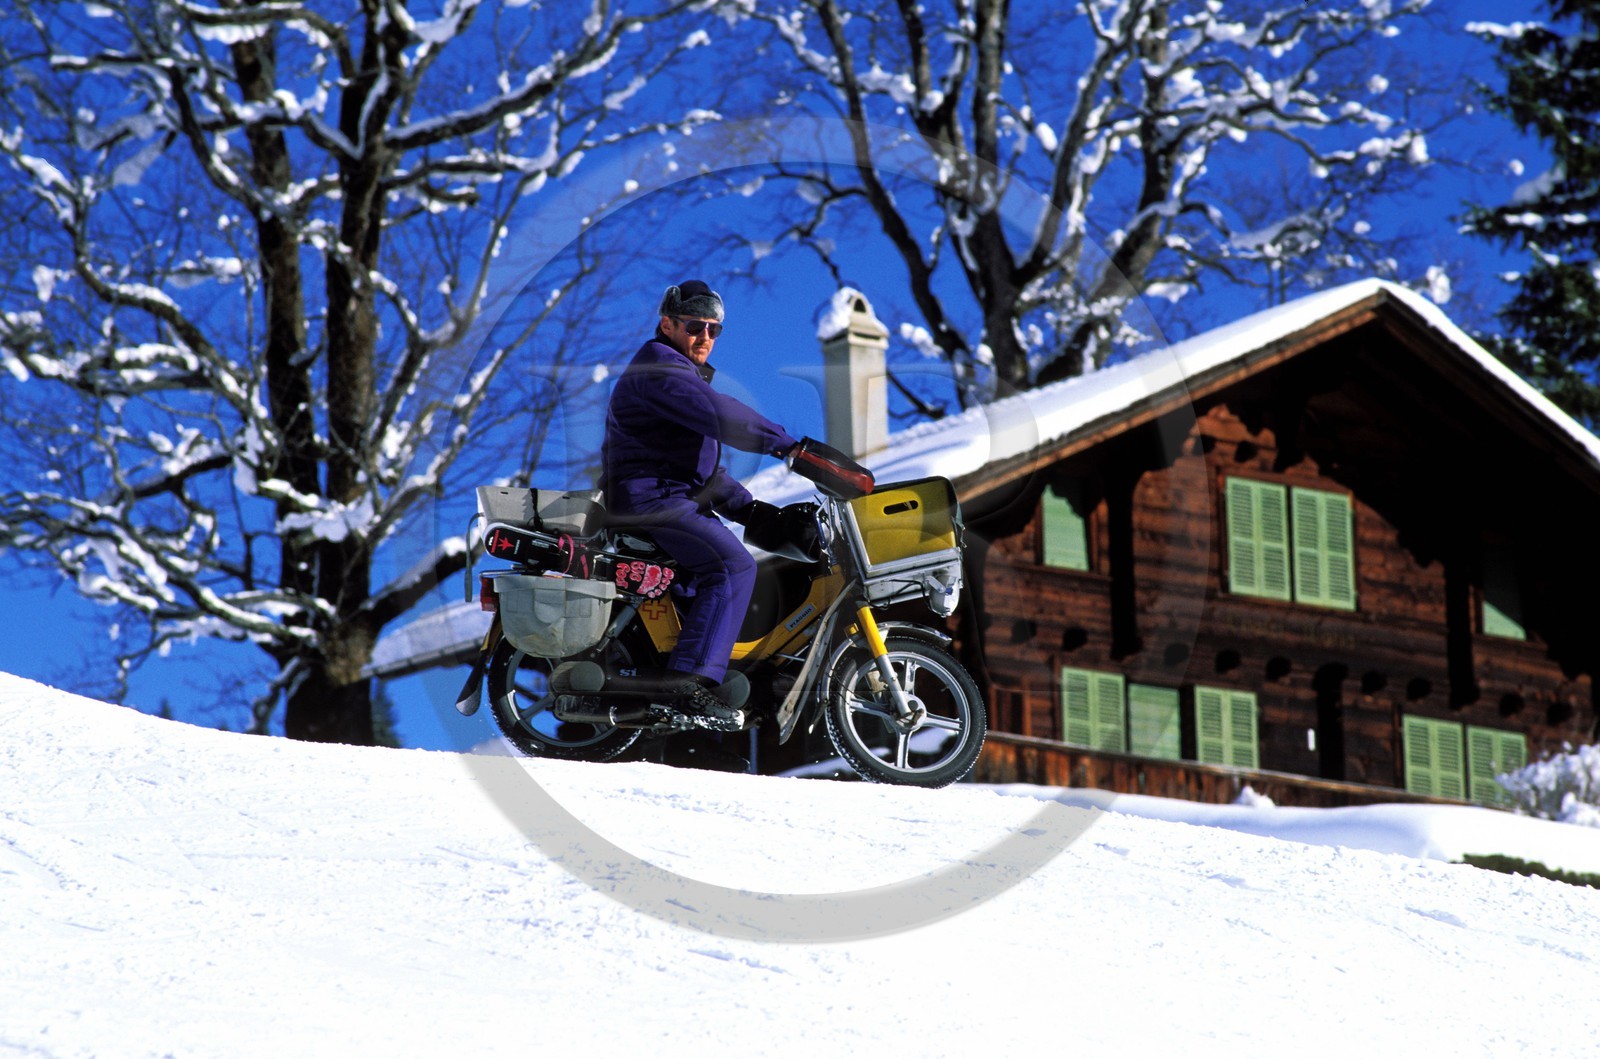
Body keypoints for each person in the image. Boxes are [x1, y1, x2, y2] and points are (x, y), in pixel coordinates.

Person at [600, 279, 799, 715]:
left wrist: (752, 511)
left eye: (714, 330)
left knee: (709, 590)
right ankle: (687, 684)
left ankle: (701, 680)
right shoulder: (659, 368)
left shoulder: (681, 377)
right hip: (651, 500)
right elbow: (718, 413)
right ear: (667, 324)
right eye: (695, 326)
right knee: (731, 567)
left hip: (668, 497)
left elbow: (701, 473)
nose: (705, 337)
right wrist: (787, 445)